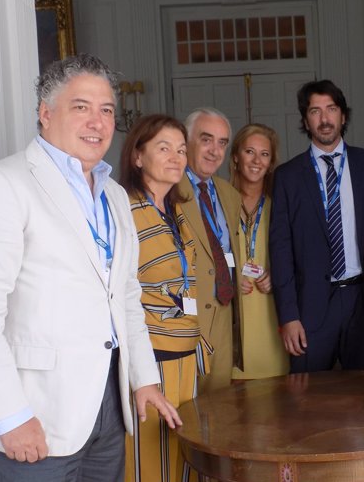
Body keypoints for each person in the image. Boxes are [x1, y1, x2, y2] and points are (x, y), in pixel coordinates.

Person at [0, 54, 180, 482]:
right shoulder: (0, 185)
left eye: (106, 110)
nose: (97, 122)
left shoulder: (115, 195)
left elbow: (127, 298)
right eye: (81, 107)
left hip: (109, 412)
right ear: (45, 114)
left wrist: (144, 379)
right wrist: (9, 415)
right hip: (36, 415)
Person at [270, 79, 364, 372]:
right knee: (306, 402)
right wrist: (288, 316)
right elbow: (281, 249)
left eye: (331, 109)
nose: (324, 119)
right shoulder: (287, 176)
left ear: (343, 115)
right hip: (309, 308)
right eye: (315, 111)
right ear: (305, 120)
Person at [119, 114, 211, 482]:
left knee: (181, 458)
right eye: (163, 148)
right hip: (150, 360)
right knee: (150, 464)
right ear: (138, 157)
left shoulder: (175, 209)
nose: (176, 157)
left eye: (180, 150)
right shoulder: (123, 209)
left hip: (186, 355)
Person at [177, 107, 242, 393]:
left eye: (222, 142)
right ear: (187, 141)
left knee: (220, 409)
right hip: (187, 318)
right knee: (186, 411)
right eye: (206, 139)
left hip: (224, 313)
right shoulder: (168, 189)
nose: (215, 151)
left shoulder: (229, 194)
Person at [228, 123, 289, 379]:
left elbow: (298, 254)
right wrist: (227, 278)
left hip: (272, 311)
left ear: (272, 161)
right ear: (235, 157)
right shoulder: (220, 200)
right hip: (232, 312)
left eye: (264, 154)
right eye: (249, 151)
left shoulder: (282, 203)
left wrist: (280, 276)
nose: (256, 160)